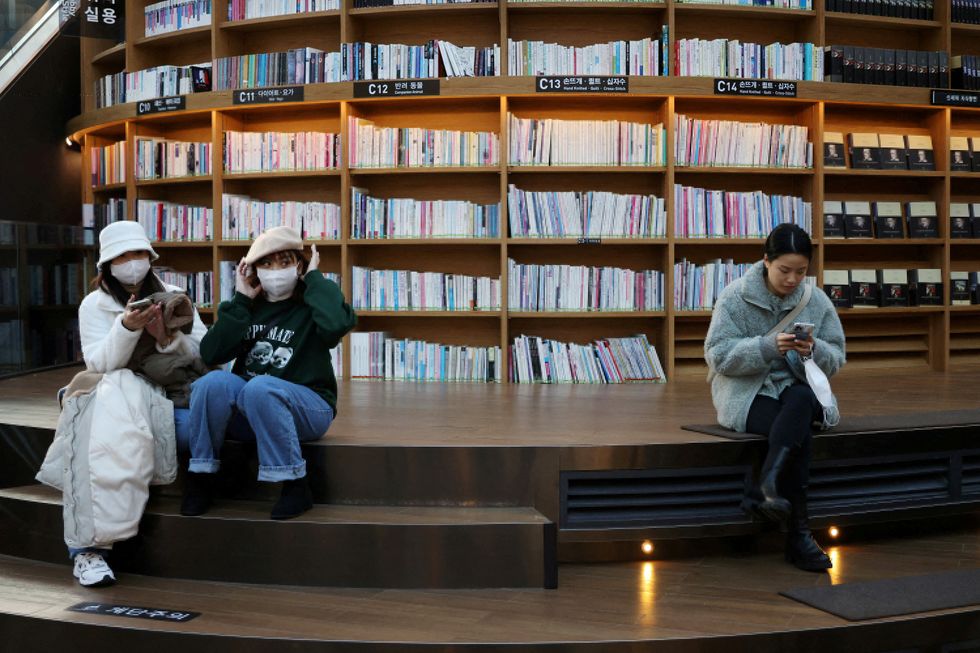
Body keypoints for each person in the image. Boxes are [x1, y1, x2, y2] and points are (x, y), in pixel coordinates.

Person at [36, 221, 208, 587]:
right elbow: (98, 364)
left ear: (150, 257)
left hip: (171, 393)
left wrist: (165, 338)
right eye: (123, 256)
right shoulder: (93, 305)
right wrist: (127, 329)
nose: (133, 262)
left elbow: (204, 355)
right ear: (108, 264)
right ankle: (88, 550)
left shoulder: (176, 294)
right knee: (100, 431)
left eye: (140, 254)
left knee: (192, 431)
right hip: (117, 388)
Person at [177, 226, 356, 520]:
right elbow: (211, 354)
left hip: (308, 408)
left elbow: (336, 325)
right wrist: (241, 298)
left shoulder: (314, 302)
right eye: (267, 263)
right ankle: (201, 477)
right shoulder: (246, 307)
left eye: (285, 262)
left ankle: (295, 483)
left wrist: (313, 278)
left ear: (299, 265)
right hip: (252, 407)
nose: (275, 270)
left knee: (260, 386)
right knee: (212, 383)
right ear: (253, 269)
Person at [704, 224, 846, 572]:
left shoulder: (816, 301)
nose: (793, 279)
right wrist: (766, 347)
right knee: (797, 431)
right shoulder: (735, 297)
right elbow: (717, 355)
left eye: (801, 271)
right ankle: (798, 534)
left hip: (798, 390)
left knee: (798, 400)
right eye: (784, 270)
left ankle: (766, 485)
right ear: (766, 261)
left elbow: (837, 356)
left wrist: (811, 350)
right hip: (748, 393)